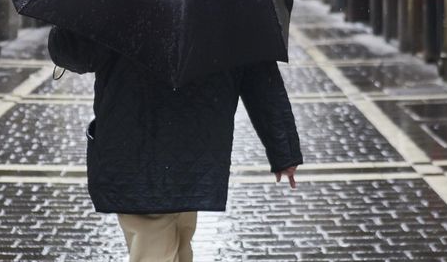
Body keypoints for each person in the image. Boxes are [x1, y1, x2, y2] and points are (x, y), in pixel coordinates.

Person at [48, 27, 303, 262]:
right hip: (193, 154)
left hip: (134, 149)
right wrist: (284, 148)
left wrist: (62, 28)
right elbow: (259, 72)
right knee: (178, 247)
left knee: (158, 248)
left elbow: (77, 53)